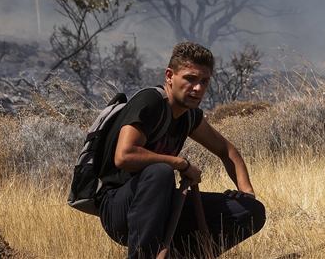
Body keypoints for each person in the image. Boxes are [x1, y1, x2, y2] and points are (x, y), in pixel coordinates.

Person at [97, 42, 265, 258]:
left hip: (163, 206)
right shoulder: (150, 102)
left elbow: (226, 150)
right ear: (170, 76)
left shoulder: (189, 115)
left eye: (204, 81)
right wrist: (181, 164)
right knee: (160, 172)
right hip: (119, 208)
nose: (198, 88)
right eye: (190, 78)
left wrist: (246, 192)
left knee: (251, 211)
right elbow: (124, 156)